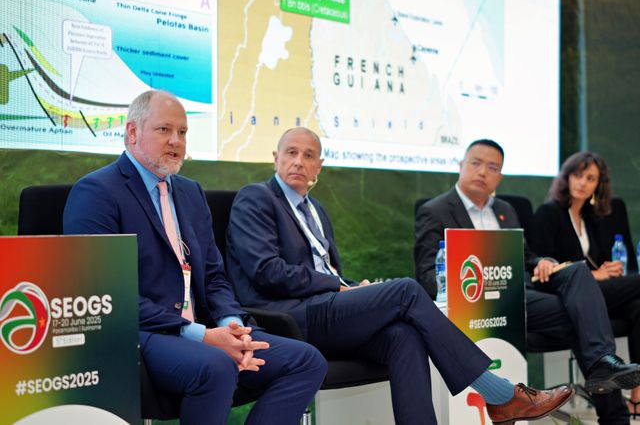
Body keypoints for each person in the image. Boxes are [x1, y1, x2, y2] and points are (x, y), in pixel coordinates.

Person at [225, 127, 573, 425]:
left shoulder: (316, 210)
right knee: (405, 290)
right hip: (286, 316)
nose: (299, 161)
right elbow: (266, 271)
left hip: (324, 308)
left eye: (308, 155)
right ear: (276, 157)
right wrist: (339, 287)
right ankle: (499, 394)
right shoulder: (256, 198)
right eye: (291, 152)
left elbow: (327, 271)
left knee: (403, 335)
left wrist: (350, 286)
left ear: (320, 166)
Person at [63, 91, 327, 425]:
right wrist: (200, 335)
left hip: (207, 329)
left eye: (183, 132)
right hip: (139, 333)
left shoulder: (190, 192)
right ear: (132, 132)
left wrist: (230, 326)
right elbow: (107, 295)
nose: (176, 141)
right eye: (164, 130)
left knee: (306, 361)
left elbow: (214, 275)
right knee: (217, 366)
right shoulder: (97, 193)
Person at [415, 139, 640, 424]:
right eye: (476, 163)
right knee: (581, 313)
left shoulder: (506, 210)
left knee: (577, 272)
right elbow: (427, 276)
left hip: (521, 292)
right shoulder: (435, 211)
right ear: (461, 166)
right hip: (479, 301)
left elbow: (527, 257)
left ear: (499, 177)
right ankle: (614, 410)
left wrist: (543, 262)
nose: (483, 171)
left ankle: (602, 365)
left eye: (492, 167)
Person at [530, 151, 640, 418]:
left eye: (590, 178)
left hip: (595, 293)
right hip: (561, 293)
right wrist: (594, 275)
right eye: (578, 175)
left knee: (638, 305)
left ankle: (636, 393)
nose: (582, 182)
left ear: (598, 185)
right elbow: (539, 266)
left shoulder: (592, 218)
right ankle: (609, 370)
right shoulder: (548, 212)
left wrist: (607, 270)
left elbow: (598, 262)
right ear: (566, 177)